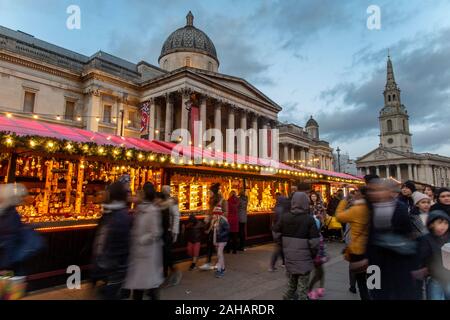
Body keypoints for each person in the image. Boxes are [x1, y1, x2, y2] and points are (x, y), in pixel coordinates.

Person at [366, 179, 417, 300]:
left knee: (399, 293)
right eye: (372, 191)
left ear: (388, 191)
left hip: (398, 261)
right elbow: (368, 235)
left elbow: (409, 235)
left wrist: (414, 265)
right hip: (375, 262)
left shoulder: (401, 208)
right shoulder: (369, 209)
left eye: (379, 190)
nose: (374, 193)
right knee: (375, 292)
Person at [273, 192, 320, 300]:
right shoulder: (309, 219)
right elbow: (315, 242)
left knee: (291, 285)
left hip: (289, 257)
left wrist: (282, 244)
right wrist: (313, 254)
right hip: (305, 258)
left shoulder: (285, 217)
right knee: (302, 288)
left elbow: (276, 232)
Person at [91, 182, 132, 300]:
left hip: (113, 269)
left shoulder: (119, 217)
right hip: (111, 269)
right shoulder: (113, 213)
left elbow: (118, 246)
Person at [124, 182, 163, 300]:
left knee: (146, 285)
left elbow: (156, 232)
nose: (138, 194)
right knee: (140, 286)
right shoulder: (140, 209)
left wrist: (141, 239)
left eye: (140, 192)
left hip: (148, 254)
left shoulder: (152, 210)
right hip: (139, 254)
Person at [335, 187, 370, 300]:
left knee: (362, 282)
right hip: (373, 250)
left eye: (357, 192)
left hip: (358, 250)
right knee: (374, 282)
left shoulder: (357, 209)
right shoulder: (373, 208)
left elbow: (339, 216)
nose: (355, 194)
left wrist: (344, 200)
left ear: (361, 195)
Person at [0, 184, 42, 277]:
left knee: (9, 286)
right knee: (9, 286)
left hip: (8, 261)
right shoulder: (10, 213)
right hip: (10, 261)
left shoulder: (9, 212)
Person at [415, 210, 450, 300]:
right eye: (440, 223)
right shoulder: (425, 239)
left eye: (446, 223)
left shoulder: (448, 238)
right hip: (434, 278)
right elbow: (421, 257)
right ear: (431, 224)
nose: (443, 226)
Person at [156, 189, 182, 287]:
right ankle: (165, 274)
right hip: (165, 233)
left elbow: (175, 216)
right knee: (165, 255)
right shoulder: (165, 204)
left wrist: (174, 231)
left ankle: (171, 273)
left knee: (166, 254)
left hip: (167, 233)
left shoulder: (167, 205)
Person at [200, 183, 227, 270]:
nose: (208, 193)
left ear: (214, 192)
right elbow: (210, 211)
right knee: (210, 243)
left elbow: (225, 213)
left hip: (218, 225)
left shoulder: (221, 200)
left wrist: (217, 219)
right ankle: (209, 262)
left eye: (210, 191)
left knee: (216, 245)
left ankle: (220, 265)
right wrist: (207, 218)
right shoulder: (212, 201)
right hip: (212, 225)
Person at [307, 206, 328, 299]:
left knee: (321, 273)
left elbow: (321, 246)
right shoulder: (314, 235)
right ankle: (310, 290)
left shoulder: (318, 234)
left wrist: (324, 254)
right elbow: (315, 247)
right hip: (316, 258)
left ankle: (320, 288)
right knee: (318, 274)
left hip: (319, 257)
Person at [270, 192, 288, 272]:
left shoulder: (277, 207)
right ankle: (272, 265)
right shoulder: (283, 209)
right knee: (279, 247)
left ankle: (283, 263)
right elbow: (282, 221)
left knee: (280, 247)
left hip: (275, 230)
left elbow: (274, 220)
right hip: (280, 230)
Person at [212, 204, 230, 278]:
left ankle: (220, 270)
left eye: (214, 214)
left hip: (222, 240)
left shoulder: (223, 220)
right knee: (220, 255)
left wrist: (220, 234)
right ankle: (223, 268)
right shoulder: (216, 220)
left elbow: (227, 230)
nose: (213, 216)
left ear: (218, 214)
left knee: (219, 254)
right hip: (218, 240)